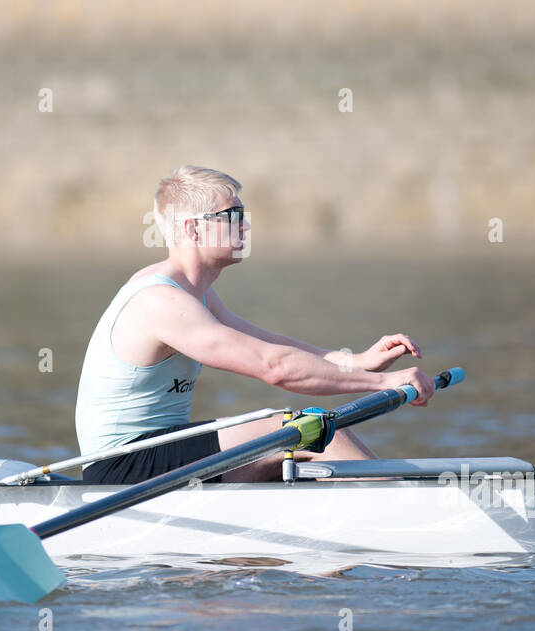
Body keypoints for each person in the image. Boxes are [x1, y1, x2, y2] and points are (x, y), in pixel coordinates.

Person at [74, 165, 436, 483]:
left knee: (308, 446)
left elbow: (269, 344)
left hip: (162, 449)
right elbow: (274, 368)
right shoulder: (161, 302)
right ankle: (409, 512)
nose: (245, 224)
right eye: (232, 214)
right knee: (311, 429)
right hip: (122, 467)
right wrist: (382, 382)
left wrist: (354, 361)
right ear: (193, 230)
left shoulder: (194, 291)